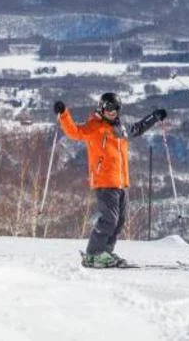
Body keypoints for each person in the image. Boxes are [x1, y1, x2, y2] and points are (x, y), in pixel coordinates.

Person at [55, 94, 166, 268]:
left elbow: (137, 128)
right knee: (109, 219)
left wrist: (154, 117)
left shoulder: (120, 128)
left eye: (116, 109)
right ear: (101, 108)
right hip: (104, 181)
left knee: (120, 220)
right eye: (109, 108)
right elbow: (74, 132)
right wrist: (63, 114)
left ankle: (104, 251)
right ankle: (95, 252)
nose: (112, 112)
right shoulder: (94, 127)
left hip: (121, 181)